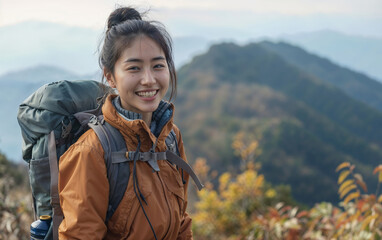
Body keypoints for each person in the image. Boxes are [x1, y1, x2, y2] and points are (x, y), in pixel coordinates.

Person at [58, 6, 193, 239]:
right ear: (109, 76)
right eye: (134, 68)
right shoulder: (92, 151)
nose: (149, 80)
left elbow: (181, 223)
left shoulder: (170, 137)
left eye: (158, 65)